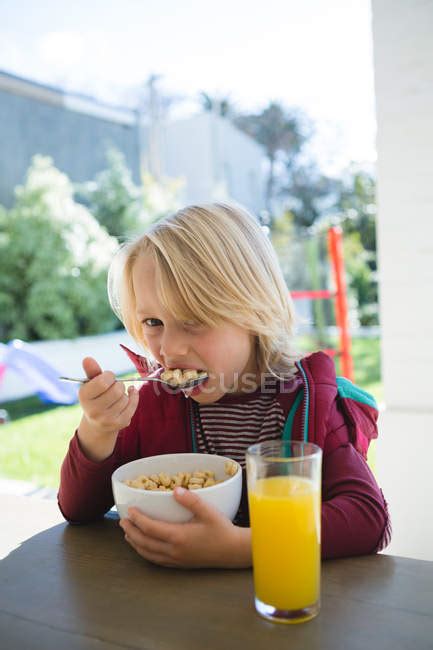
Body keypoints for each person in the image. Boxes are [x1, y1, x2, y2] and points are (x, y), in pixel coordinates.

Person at [58, 202, 391, 568]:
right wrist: (97, 430)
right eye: (153, 322)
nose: (168, 350)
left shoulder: (311, 402)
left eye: (193, 320)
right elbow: (78, 509)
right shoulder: (152, 403)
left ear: (254, 312)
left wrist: (243, 547)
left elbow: (367, 519)